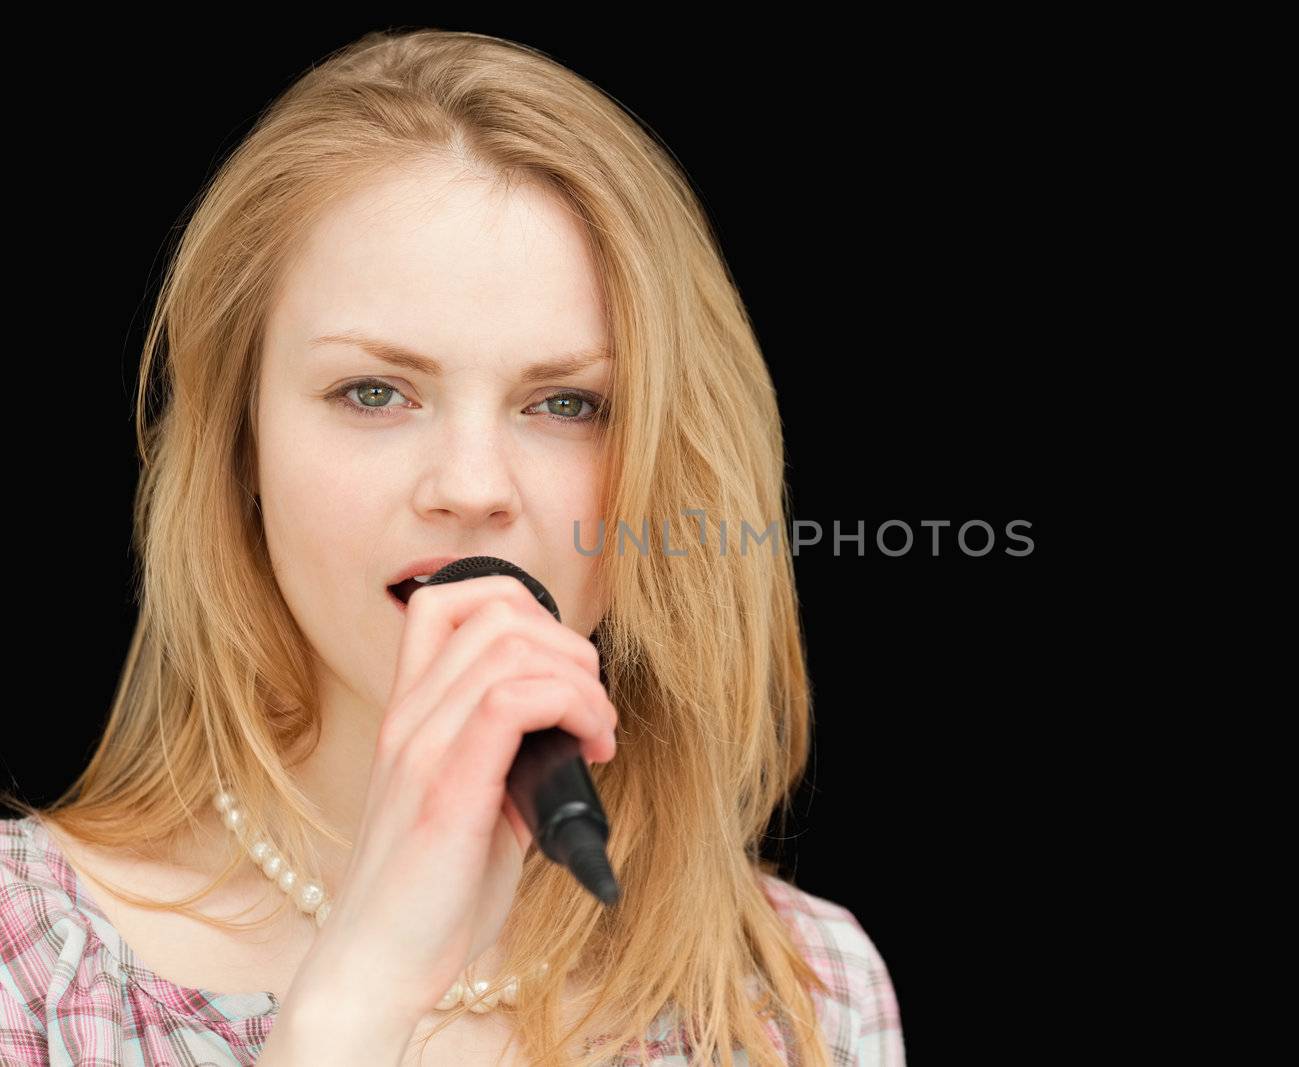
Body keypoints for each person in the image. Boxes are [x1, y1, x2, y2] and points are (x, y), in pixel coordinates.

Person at [0, 28, 903, 1067]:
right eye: (373, 392)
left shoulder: (805, 991)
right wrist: (358, 995)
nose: (473, 487)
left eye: (567, 402)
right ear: (240, 443)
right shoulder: (32, 964)